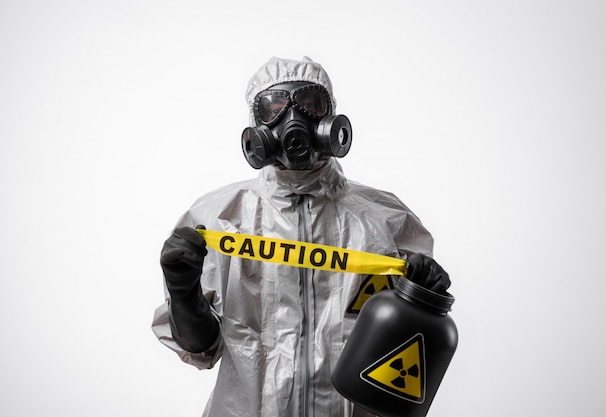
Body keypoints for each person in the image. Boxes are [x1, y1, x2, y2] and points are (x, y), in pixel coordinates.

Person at [152, 56, 451, 417]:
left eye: (310, 107)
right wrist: (183, 291)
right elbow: (202, 348)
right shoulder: (218, 219)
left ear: (331, 118)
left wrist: (424, 297)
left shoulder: (385, 218)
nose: (294, 123)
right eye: (274, 109)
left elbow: (407, 350)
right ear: (256, 126)